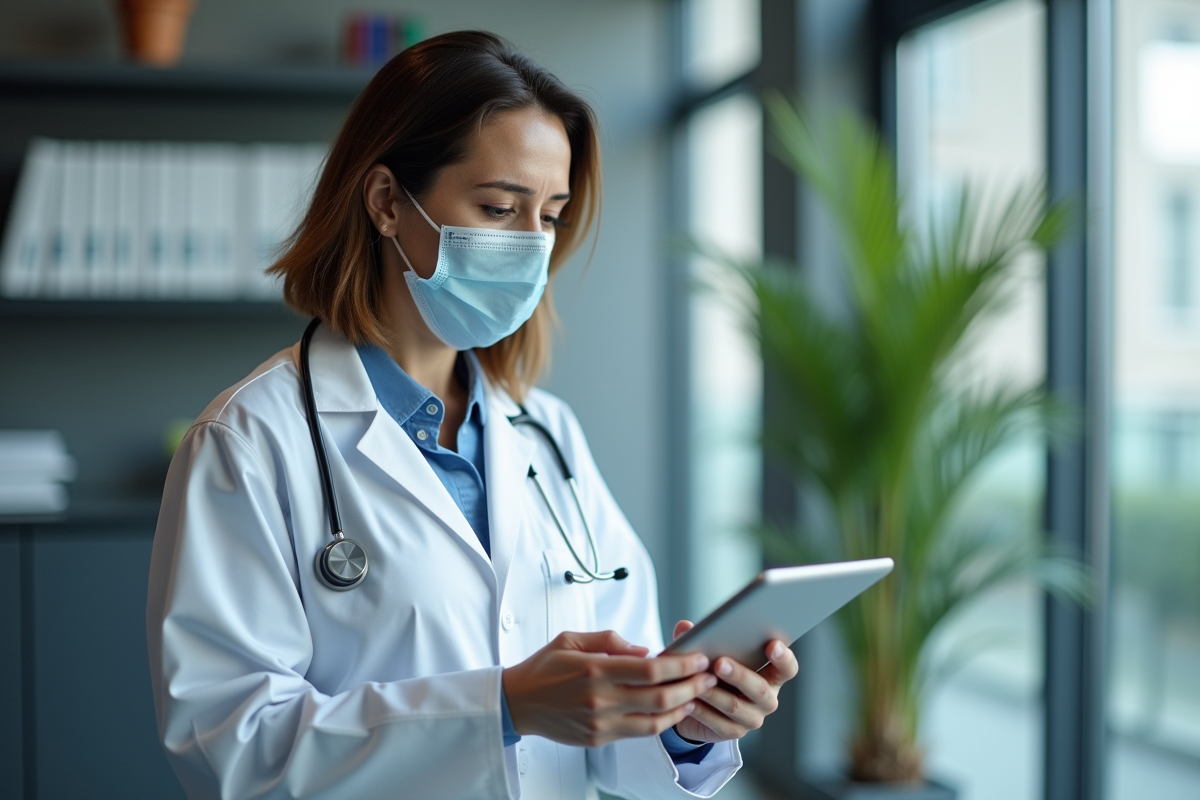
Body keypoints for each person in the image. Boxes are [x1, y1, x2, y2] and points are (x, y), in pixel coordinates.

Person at [146, 31, 798, 800]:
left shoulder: (547, 435)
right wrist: (504, 706)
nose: (531, 248)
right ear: (388, 201)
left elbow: (612, 725)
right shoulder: (251, 442)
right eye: (498, 207)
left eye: (550, 216)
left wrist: (688, 724)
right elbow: (230, 748)